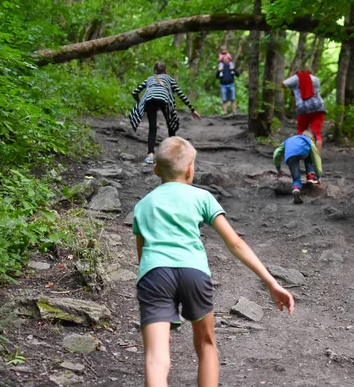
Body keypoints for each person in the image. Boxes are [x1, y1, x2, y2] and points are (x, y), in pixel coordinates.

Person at [133, 136, 294, 387]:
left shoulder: (142, 205)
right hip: (194, 273)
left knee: (156, 357)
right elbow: (236, 243)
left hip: (154, 275)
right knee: (207, 345)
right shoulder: (202, 197)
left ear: (156, 170)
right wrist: (271, 282)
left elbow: (142, 257)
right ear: (190, 170)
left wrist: (159, 314)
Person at [129, 61, 202, 164]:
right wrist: (192, 109)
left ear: (155, 71)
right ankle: (172, 154)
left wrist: (140, 103)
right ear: (166, 71)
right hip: (163, 99)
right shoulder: (169, 79)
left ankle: (150, 155)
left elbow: (135, 92)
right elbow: (180, 94)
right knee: (171, 124)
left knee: (152, 128)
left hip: (149, 99)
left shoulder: (149, 79)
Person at [281, 66, 326, 152]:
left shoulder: (296, 77)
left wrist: (292, 75)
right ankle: (317, 158)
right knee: (316, 133)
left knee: (301, 131)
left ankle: (302, 153)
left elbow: (283, 84)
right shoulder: (315, 79)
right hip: (319, 107)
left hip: (304, 108)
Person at [273, 130, 323, 204]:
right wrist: (318, 175)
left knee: (296, 177)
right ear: (313, 139)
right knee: (310, 153)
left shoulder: (288, 140)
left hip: (289, 156)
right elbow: (316, 159)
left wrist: (278, 168)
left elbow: (276, 153)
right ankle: (311, 175)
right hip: (303, 153)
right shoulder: (309, 140)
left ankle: (296, 189)